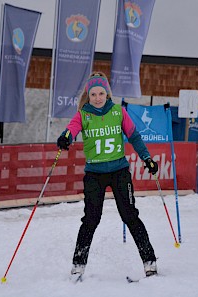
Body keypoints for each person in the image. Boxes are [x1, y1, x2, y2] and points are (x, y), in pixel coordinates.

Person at [56, 72, 159, 278]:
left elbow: (134, 136)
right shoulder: (83, 115)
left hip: (119, 172)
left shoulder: (118, 112)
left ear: (107, 94)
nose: (97, 98)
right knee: (91, 219)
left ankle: (149, 261)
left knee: (130, 215)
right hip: (94, 174)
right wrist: (66, 137)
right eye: (93, 94)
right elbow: (72, 129)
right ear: (88, 95)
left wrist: (147, 158)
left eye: (101, 93)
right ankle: (78, 264)